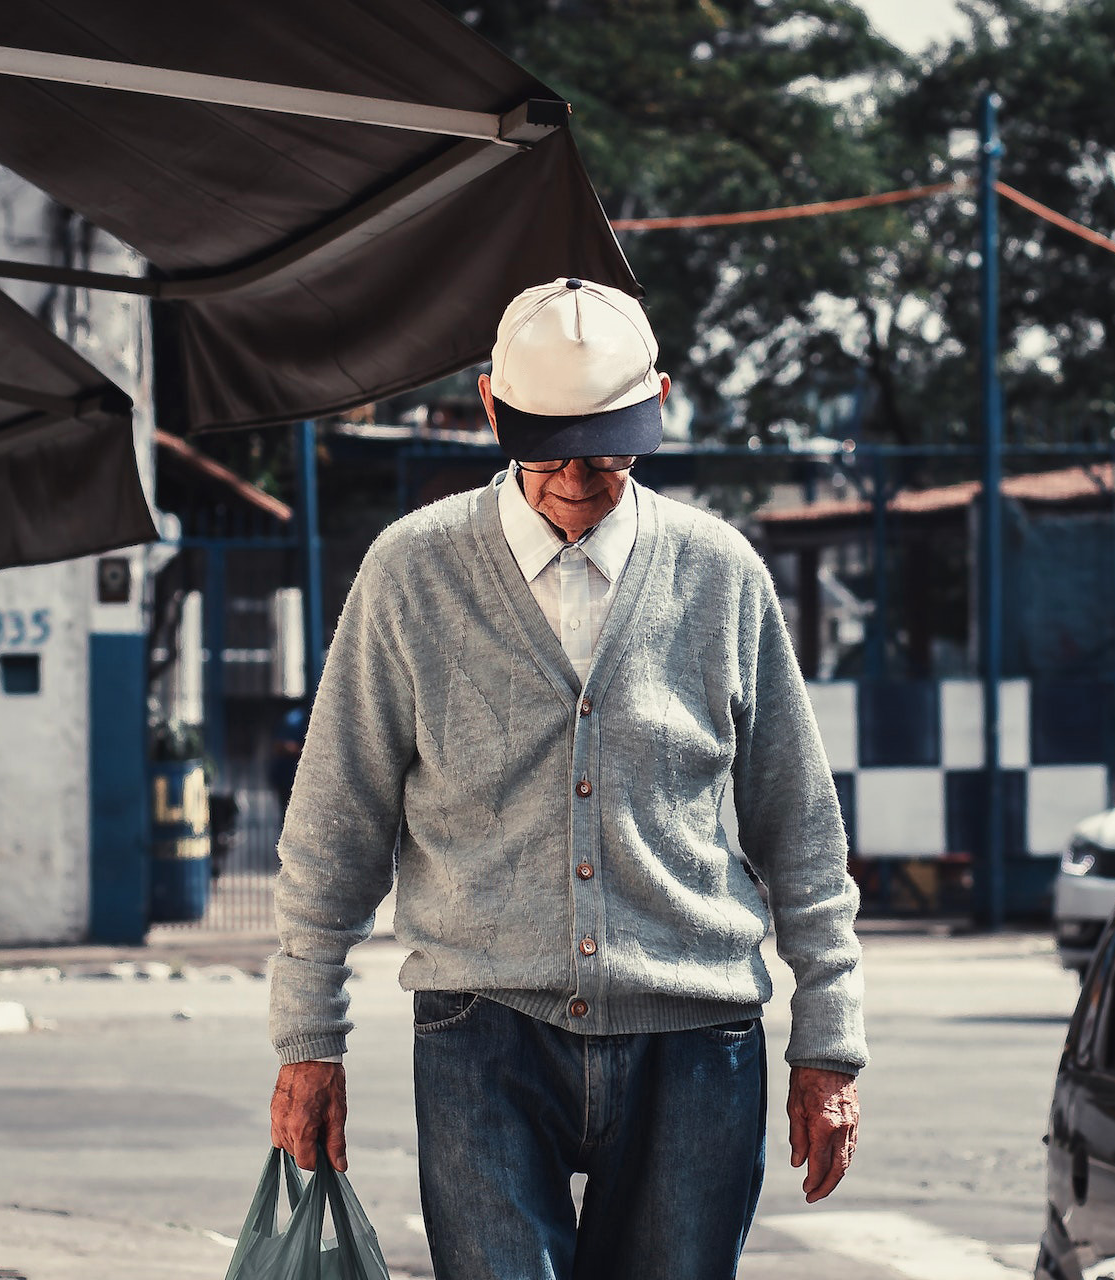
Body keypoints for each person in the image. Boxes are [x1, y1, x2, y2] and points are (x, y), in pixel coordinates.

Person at [266, 278, 866, 1280]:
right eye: (544, 446)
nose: (577, 477)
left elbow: (802, 832)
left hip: (697, 1036)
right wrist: (307, 1037)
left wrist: (830, 1041)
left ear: (660, 404)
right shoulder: (409, 574)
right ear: (493, 407)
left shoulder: (722, 575)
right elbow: (333, 828)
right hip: (483, 1035)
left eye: (608, 448)